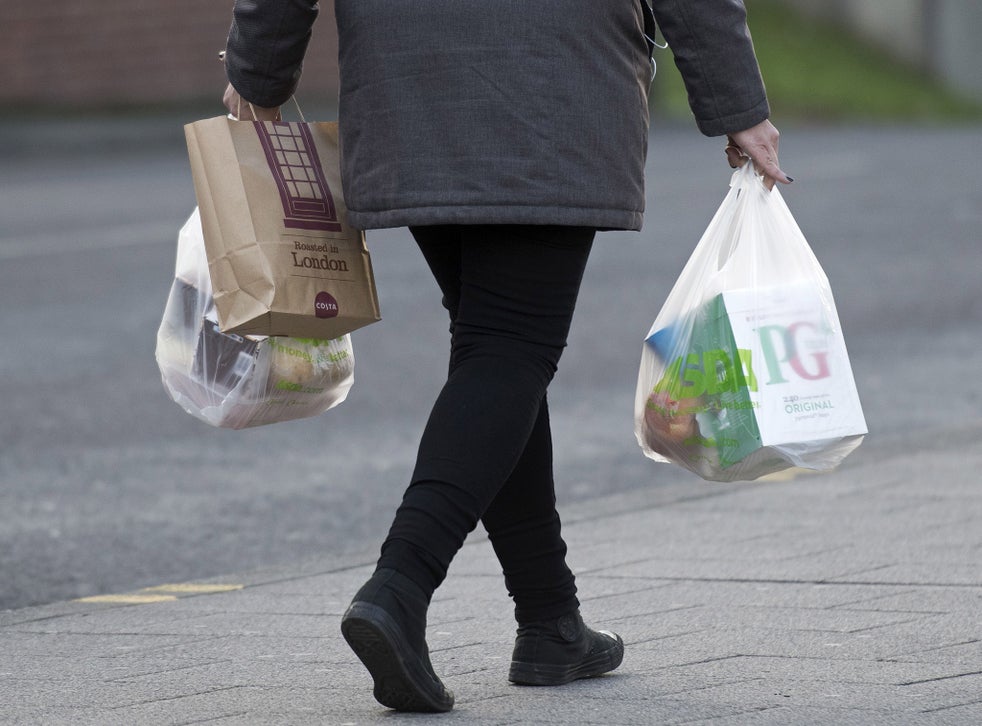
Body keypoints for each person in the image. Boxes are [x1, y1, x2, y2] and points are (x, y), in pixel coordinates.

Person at [222, 0, 791, 713]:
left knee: (494, 348)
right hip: (549, 83)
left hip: (408, 91)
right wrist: (738, 105)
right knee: (509, 348)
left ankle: (551, 620)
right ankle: (400, 586)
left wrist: (259, 71)